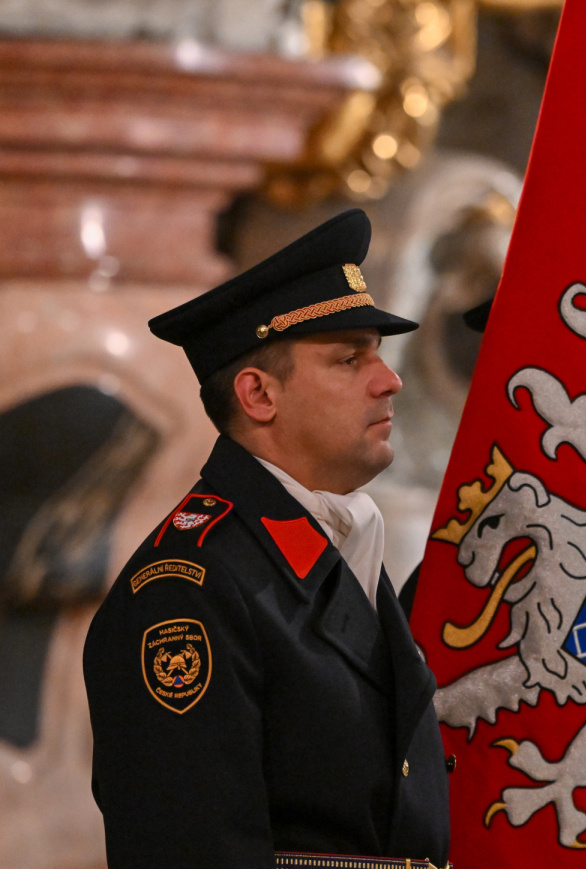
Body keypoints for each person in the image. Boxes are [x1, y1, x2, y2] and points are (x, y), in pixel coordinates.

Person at [82, 209, 452, 869]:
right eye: (349, 358)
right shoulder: (188, 590)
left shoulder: (327, 546)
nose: (389, 379)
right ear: (257, 394)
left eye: (379, 354)